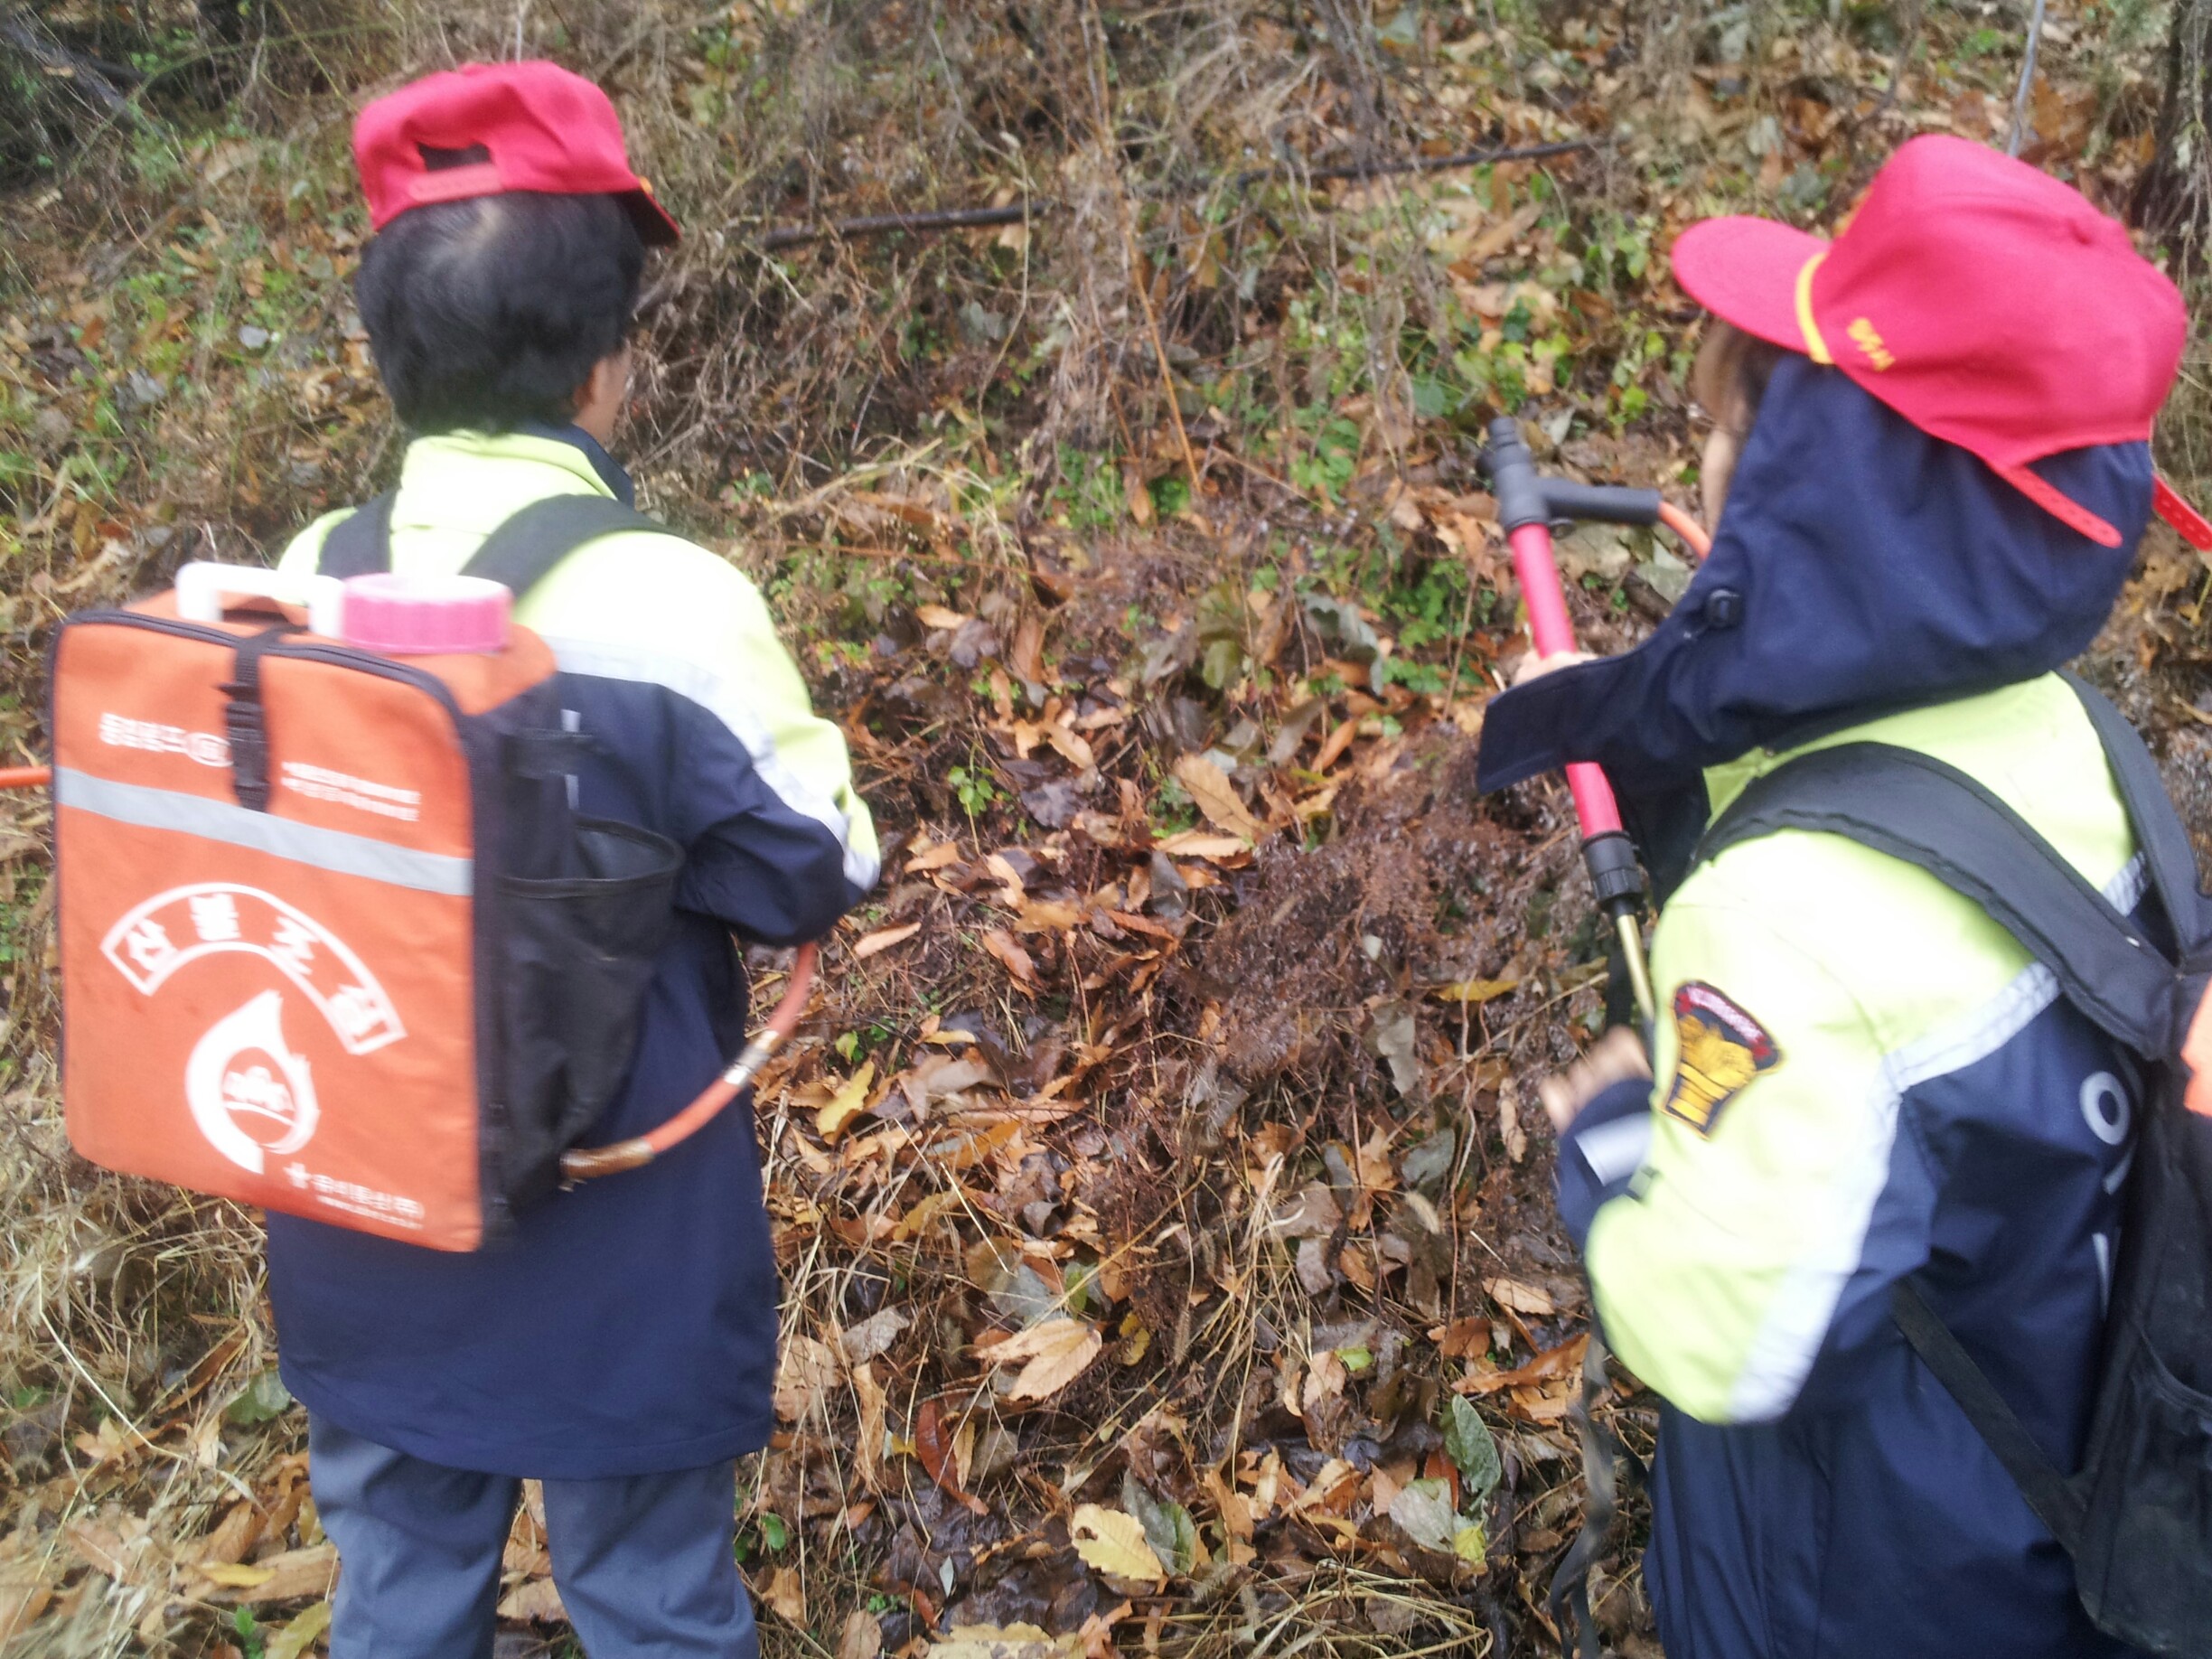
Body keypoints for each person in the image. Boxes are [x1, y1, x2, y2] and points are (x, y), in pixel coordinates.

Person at [1476, 136, 2190, 1658]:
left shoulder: (1775, 933)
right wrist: (1629, 719)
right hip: (2053, 1505)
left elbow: (1721, 1339)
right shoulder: (2070, 733)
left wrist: (1615, 1138)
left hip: (1853, 1585)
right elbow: (1869, 794)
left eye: (1739, 433)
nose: (1708, 464)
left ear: (1838, 495)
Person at [265, 61, 878, 1658]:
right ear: (611, 363)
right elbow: (813, 869)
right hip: (622, 1233)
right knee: (653, 1600)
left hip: (361, 1214)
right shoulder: (671, 599)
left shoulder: (301, 578)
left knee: (397, 1586)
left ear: (386, 354)